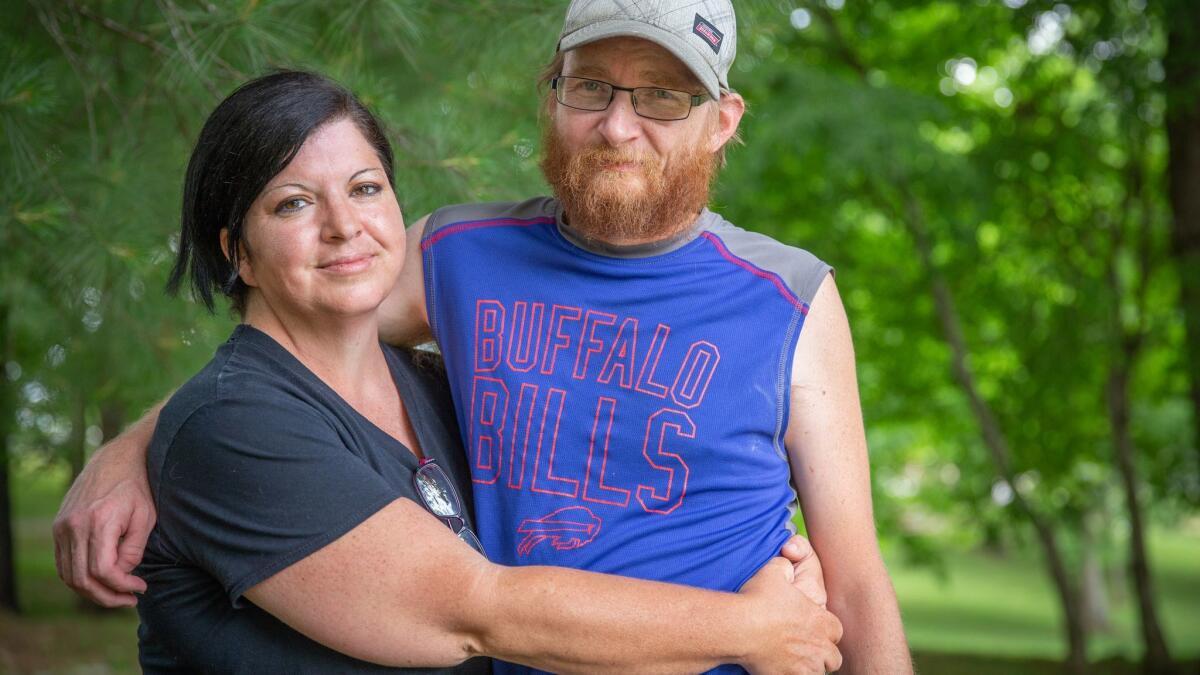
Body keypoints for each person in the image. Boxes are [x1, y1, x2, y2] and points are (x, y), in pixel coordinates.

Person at [56, 1, 911, 673]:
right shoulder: (458, 255)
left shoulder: (791, 293)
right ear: (554, 94)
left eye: (661, 94)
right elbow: (294, 346)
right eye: (592, 87)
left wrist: (780, 635)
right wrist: (135, 447)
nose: (619, 125)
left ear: (721, 119)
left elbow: (858, 574)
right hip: (514, 648)